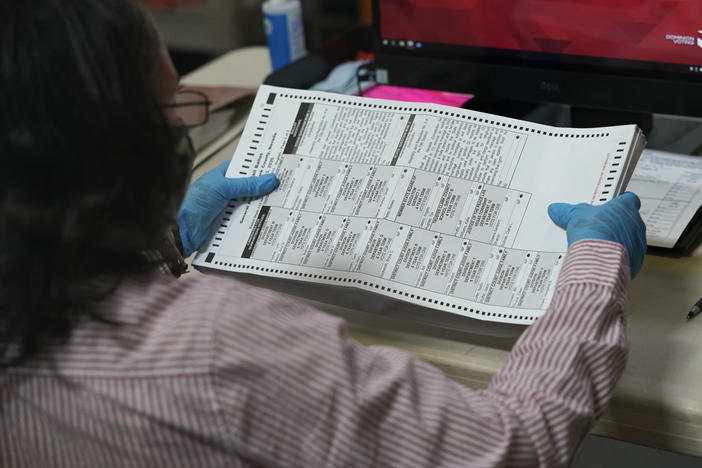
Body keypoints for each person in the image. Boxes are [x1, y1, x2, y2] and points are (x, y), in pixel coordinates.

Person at [0, 1, 646, 467]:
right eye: (169, 108)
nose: (176, 133)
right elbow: (511, 446)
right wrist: (595, 268)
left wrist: (159, 242)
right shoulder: (217, 346)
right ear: (102, 146)